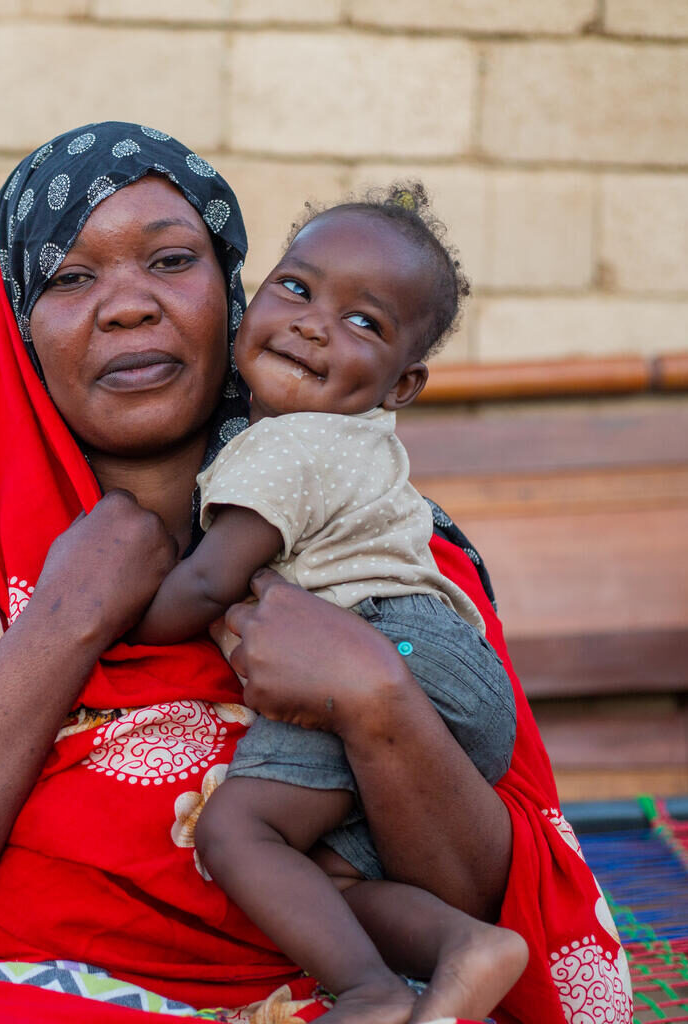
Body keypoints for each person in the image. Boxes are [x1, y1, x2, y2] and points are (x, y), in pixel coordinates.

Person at [0, 123, 628, 1023]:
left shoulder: (383, 553)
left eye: (168, 261)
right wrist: (67, 618)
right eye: (70, 277)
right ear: (17, 327)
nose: (126, 306)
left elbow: (485, 905)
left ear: (233, 297)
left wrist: (374, 697)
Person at [130, 184, 526, 1023]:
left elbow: (206, 583)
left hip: (388, 651)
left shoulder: (288, 448)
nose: (313, 324)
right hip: (446, 668)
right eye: (297, 289)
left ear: (400, 383)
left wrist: (107, 614)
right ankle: (464, 945)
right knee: (327, 875)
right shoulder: (345, 440)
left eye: (363, 323)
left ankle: (370, 991)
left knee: (237, 835)